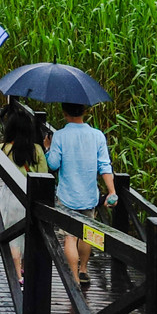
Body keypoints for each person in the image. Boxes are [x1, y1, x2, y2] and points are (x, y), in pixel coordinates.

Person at [44, 102, 117, 288]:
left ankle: (74, 278)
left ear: (64, 112)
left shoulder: (60, 135)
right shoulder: (97, 135)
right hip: (89, 195)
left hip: (68, 194)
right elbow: (104, 165)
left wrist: (47, 149)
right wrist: (112, 191)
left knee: (70, 237)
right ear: (85, 111)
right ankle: (84, 270)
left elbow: (52, 165)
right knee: (88, 234)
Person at [0, 107, 49, 284]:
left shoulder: (2, 149)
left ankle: (17, 275)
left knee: (13, 236)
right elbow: (44, 175)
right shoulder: (36, 150)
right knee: (29, 234)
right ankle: (27, 271)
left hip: (10, 197)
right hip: (31, 198)